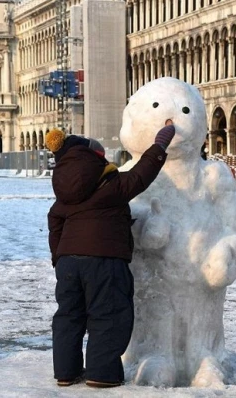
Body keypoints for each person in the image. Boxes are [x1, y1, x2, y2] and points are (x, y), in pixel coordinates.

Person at [46, 123, 174, 388]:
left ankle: (66, 373)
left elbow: (55, 221)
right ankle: (101, 374)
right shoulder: (109, 184)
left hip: (69, 262)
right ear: (93, 158)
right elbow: (141, 174)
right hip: (104, 259)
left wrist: (59, 257)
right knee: (108, 314)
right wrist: (161, 143)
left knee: (69, 315)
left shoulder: (64, 192)